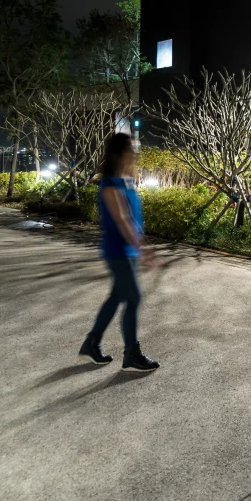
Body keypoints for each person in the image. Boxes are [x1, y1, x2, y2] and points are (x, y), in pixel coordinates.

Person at [78, 133, 160, 372]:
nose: (135, 153)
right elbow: (123, 220)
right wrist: (142, 250)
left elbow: (133, 219)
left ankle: (91, 344)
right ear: (119, 153)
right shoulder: (110, 184)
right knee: (133, 298)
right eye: (131, 149)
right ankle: (131, 355)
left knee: (116, 297)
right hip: (118, 250)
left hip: (128, 250)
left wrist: (142, 246)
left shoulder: (126, 180)